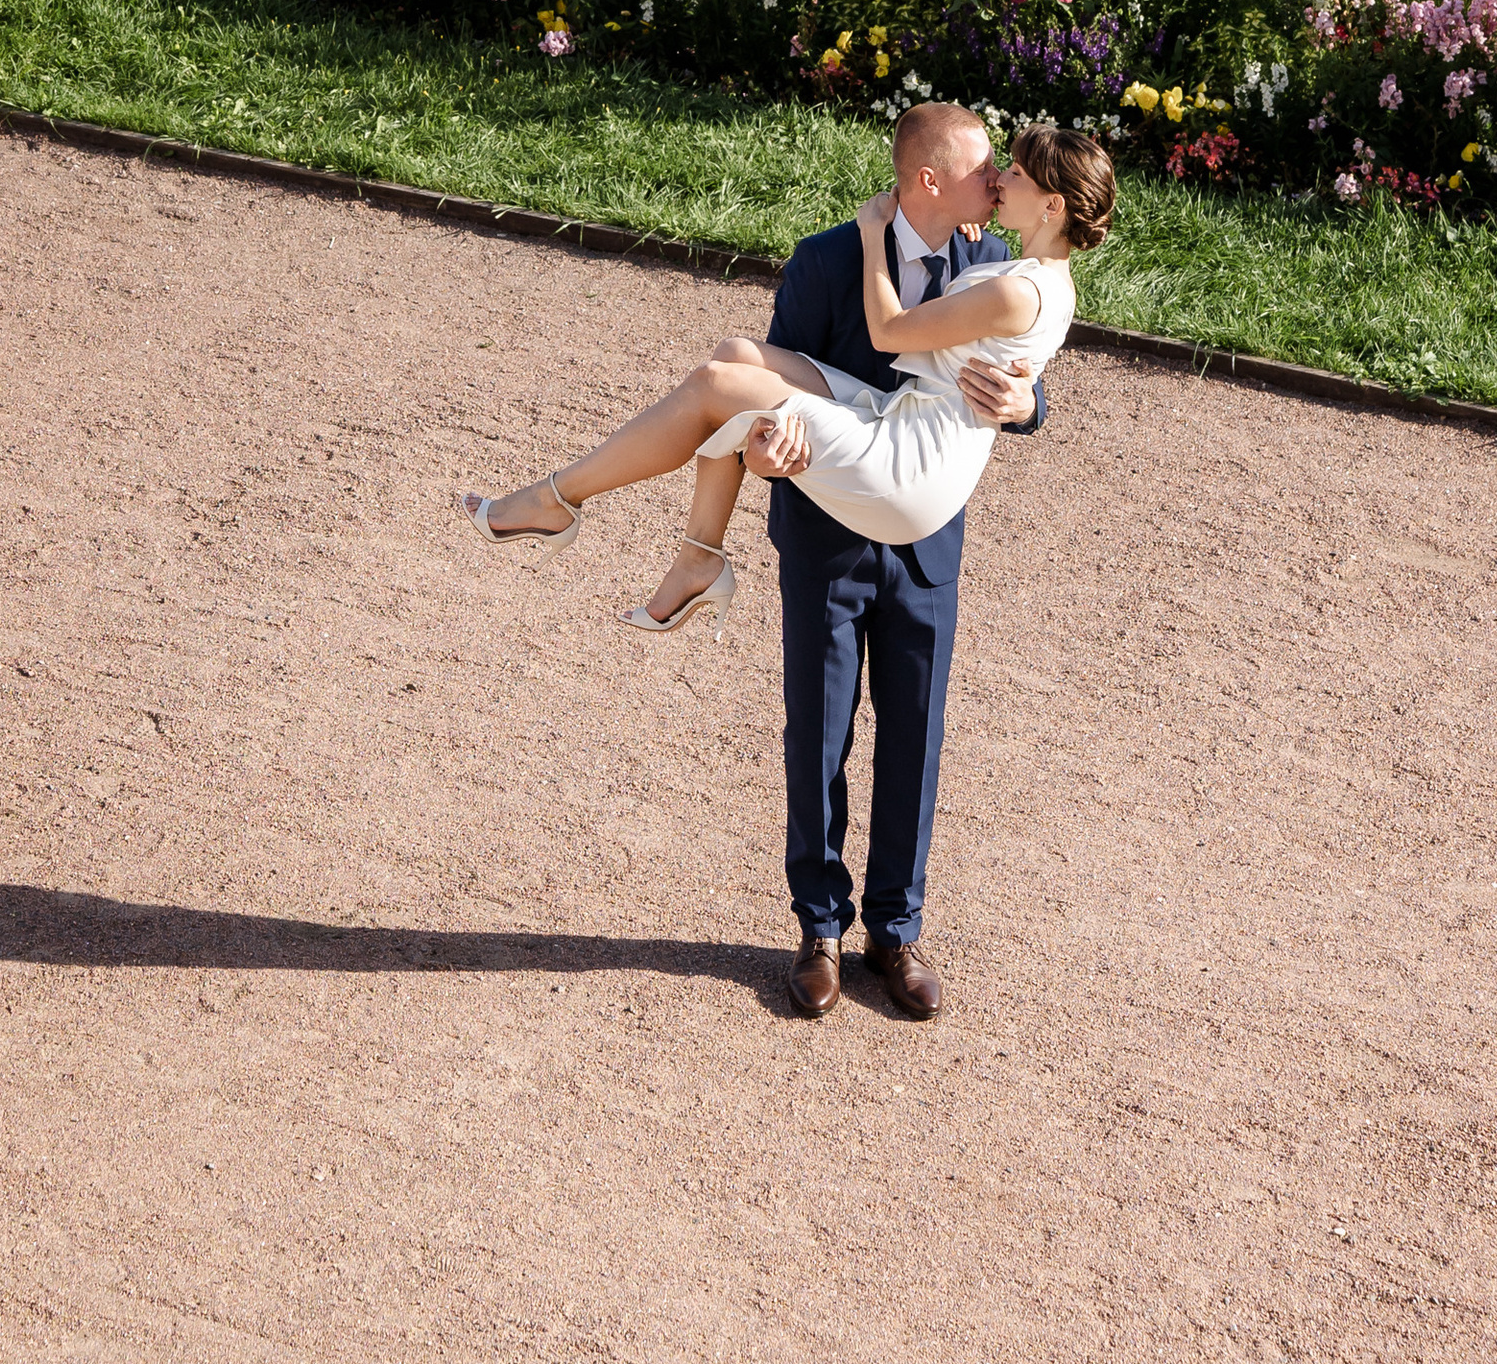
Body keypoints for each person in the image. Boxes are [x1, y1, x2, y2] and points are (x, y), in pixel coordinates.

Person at [464, 106, 1115, 1022]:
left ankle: (895, 932)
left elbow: (1016, 362)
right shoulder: (822, 260)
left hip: (919, 514)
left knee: (914, 740)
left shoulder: (993, 259)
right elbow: (773, 403)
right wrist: (769, 452)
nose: (993, 185)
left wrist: (1027, 406)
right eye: (982, 171)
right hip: (830, 524)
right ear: (930, 179)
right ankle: (818, 931)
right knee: (816, 732)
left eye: (1003, 175)